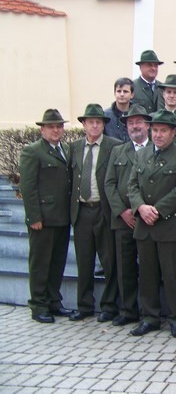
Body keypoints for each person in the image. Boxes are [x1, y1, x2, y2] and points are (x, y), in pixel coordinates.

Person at [128, 110, 176, 338]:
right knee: (147, 275)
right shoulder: (141, 154)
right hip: (145, 226)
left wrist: (157, 210)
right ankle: (150, 317)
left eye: (163, 130)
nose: (158, 135)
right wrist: (140, 207)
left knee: (174, 275)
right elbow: (132, 186)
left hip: (169, 225)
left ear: (173, 132)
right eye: (155, 130)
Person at [20, 109, 73, 323]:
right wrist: (34, 217)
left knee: (57, 262)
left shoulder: (65, 149)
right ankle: (38, 304)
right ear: (42, 129)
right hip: (43, 218)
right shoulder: (32, 151)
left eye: (59, 126)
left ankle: (53, 300)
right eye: (51, 126)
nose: (56, 130)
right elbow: (28, 186)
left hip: (61, 217)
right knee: (40, 263)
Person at [69, 104, 121, 322]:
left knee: (109, 260)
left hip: (103, 209)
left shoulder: (114, 146)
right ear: (83, 124)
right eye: (91, 122)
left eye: (99, 122)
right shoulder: (74, 147)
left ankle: (109, 305)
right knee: (84, 260)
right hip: (82, 210)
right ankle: (84, 305)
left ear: (104, 125)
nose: (95, 125)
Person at [104, 104, 152, 326]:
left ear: (147, 125)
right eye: (131, 122)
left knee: (151, 267)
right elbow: (110, 184)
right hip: (124, 219)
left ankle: (150, 310)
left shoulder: (157, 149)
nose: (135, 126)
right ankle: (128, 310)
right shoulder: (118, 151)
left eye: (139, 122)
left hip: (150, 219)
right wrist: (122, 211)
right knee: (125, 267)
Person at [104, 77, 135, 141]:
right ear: (114, 93)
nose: (122, 94)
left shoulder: (137, 115)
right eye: (119, 91)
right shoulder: (106, 115)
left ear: (132, 94)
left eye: (125, 91)